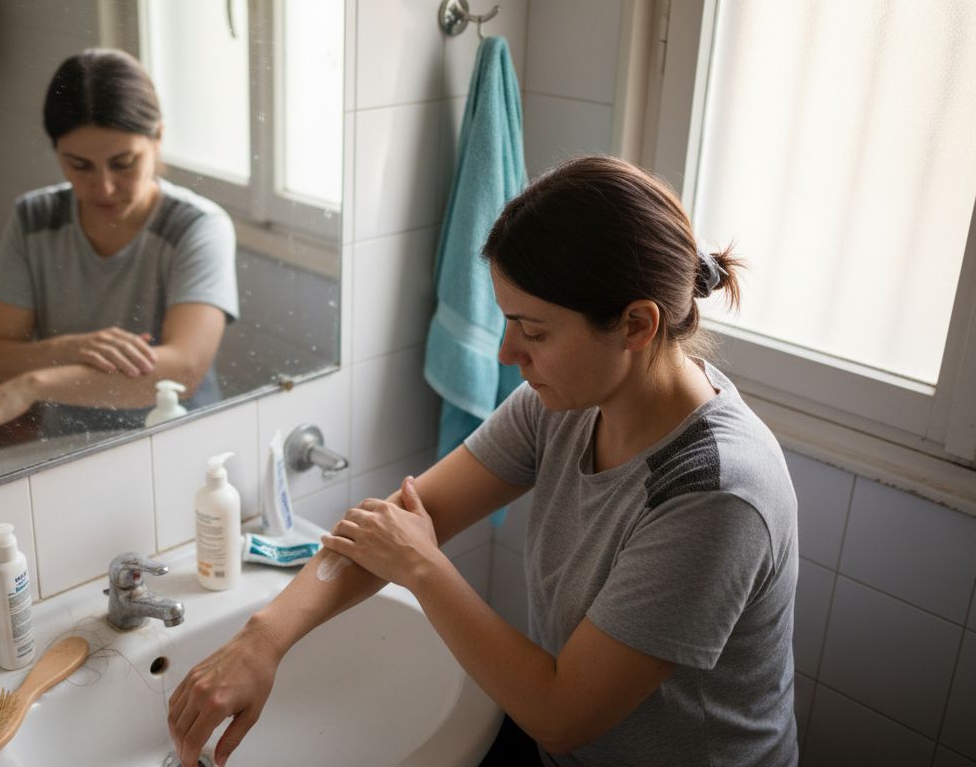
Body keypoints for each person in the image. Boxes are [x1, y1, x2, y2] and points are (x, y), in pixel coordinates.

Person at [166, 155, 798, 766]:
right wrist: (263, 639)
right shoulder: (564, 405)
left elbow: (559, 713)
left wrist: (420, 563)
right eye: (507, 322)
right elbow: (402, 524)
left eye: (535, 331)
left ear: (636, 325)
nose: (506, 354)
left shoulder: (716, 496)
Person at [0, 49, 238, 468]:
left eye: (123, 163)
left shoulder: (198, 227)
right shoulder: (34, 219)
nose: (104, 188)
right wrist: (73, 346)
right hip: (67, 451)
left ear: (157, 140)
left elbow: (183, 371)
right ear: (56, 151)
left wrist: (32, 383)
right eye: (79, 165)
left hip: (180, 450)